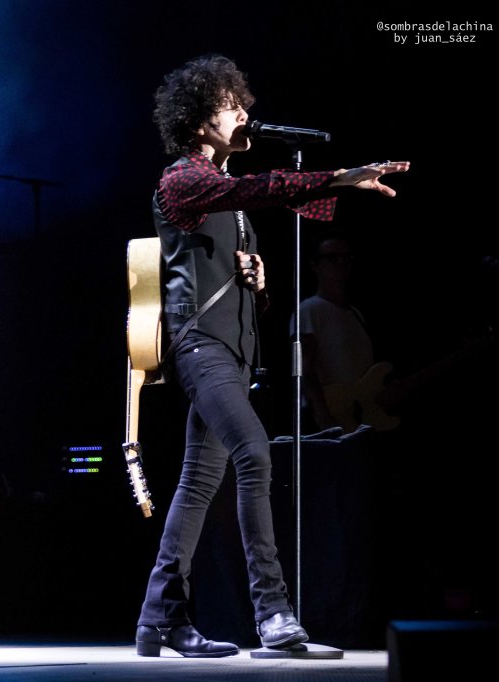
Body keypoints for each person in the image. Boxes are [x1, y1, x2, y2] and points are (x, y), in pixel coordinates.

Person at [135, 53, 408, 658]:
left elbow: (244, 228)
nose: (243, 114)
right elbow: (261, 189)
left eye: (243, 104)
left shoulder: (227, 199)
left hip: (232, 352)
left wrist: (256, 284)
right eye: (230, 106)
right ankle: (274, 613)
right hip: (199, 347)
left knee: (197, 483)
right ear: (199, 122)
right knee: (254, 453)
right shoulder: (182, 180)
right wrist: (338, 178)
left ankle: (160, 619)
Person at [295, 230, 376, 434]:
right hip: (331, 420)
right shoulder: (309, 310)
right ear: (315, 265)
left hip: (360, 416)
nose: (342, 263)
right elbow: (305, 370)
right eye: (333, 258)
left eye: (347, 258)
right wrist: (325, 419)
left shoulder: (355, 313)